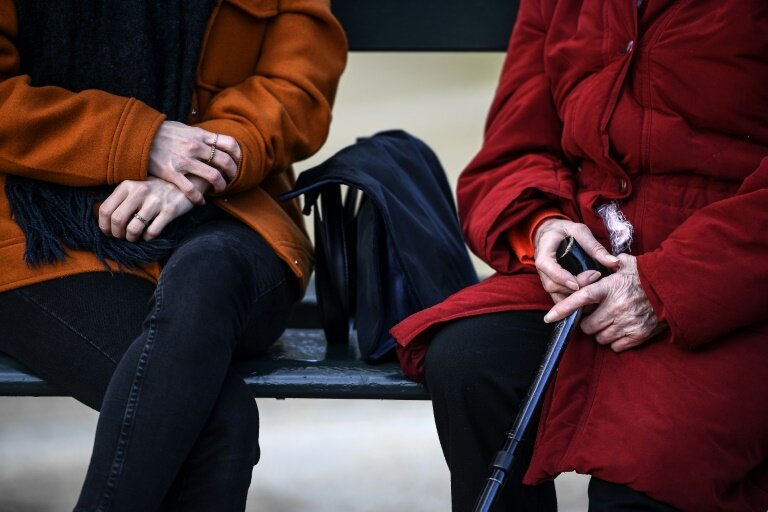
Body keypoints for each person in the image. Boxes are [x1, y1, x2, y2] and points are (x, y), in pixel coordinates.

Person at [391, 1, 768, 510]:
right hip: (588, 260)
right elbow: (514, 147)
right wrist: (542, 224)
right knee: (470, 363)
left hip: (734, 279)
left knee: (648, 471)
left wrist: (665, 284)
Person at [0, 1, 346, 510]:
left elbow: (296, 86)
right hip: (36, 227)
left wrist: (200, 166)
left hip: (228, 207)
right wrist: (139, 139)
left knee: (208, 276)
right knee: (216, 424)